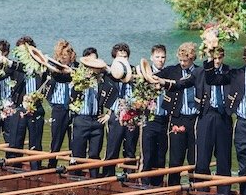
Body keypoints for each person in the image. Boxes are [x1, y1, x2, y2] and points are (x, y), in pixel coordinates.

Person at [204, 43, 246, 195]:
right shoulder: (236, 74)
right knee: (245, 165)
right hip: (243, 125)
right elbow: (212, 79)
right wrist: (209, 58)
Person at [156, 42, 199, 186]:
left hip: (194, 119)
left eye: (185, 61)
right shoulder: (172, 70)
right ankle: (173, 187)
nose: (182, 63)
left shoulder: (199, 72)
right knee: (175, 158)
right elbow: (155, 76)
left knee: (194, 158)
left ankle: (195, 187)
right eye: (180, 60)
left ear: (192, 58)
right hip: (177, 118)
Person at [193, 46, 233, 194]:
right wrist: (165, 83)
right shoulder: (201, 72)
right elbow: (183, 83)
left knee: (224, 157)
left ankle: (224, 192)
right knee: (203, 157)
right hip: (206, 115)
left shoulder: (229, 71)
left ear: (223, 57)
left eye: (219, 58)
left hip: (223, 116)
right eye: (214, 58)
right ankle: (202, 190)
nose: (216, 61)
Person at [8, 36, 48, 170]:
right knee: (15, 142)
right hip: (19, 109)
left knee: (35, 144)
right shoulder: (16, 67)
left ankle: (35, 170)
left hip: (36, 109)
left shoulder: (41, 67)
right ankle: (14, 168)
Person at [102, 42, 139, 177]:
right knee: (112, 148)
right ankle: (108, 177)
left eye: (125, 57)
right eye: (120, 57)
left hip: (132, 115)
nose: (123, 60)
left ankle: (129, 177)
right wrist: (108, 112)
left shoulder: (135, 72)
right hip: (116, 115)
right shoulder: (110, 73)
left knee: (130, 149)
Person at [70, 47, 108, 178]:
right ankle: (75, 178)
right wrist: (82, 79)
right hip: (81, 119)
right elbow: (71, 94)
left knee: (94, 154)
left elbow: (115, 94)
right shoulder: (78, 77)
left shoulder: (102, 79)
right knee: (78, 153)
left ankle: (94, 179)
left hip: (97, 120)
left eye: (95, 61)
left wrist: (109, 114)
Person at [140, 44, 171, 186]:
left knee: (161, 156)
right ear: (152, 58)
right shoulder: (144, 74)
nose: (160, 60)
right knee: (148, 155)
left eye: (163, 57)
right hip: (149, 119)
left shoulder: (169, 74)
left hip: (164, 120)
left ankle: (158, 186)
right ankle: (144, 186)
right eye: (157, 57)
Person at [45, 40, 76, 169]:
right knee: (56, 139)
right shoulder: (55, 69)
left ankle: (73, 166)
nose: (63, 59)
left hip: (73, 107)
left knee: (74, 140)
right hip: (58, 107)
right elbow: (55, 75)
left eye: (65, 56)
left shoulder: (76, 68)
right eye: (61, 56)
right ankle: (51, 165)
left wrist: (71, 71)